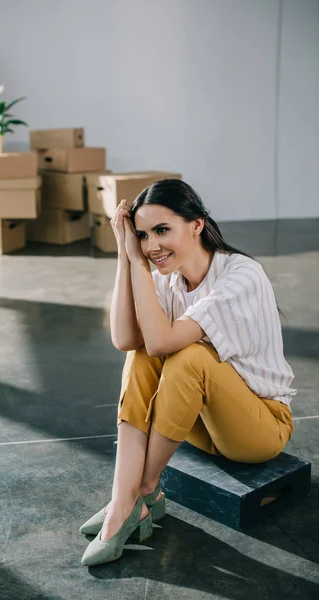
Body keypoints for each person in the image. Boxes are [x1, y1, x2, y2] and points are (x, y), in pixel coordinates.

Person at [80, 178, 296, 567]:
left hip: (259, 428)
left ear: (196, 224)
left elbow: (165, 343)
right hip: (199, 421)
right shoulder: (169, 277)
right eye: (143, 235)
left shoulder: (240, 276)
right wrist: (125, 255)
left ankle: (139, 497)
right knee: (142, 354)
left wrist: (140, 264)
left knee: (187, 355)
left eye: (163, 230)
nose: (152, 246)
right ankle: (123, 503)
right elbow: (125, 339)